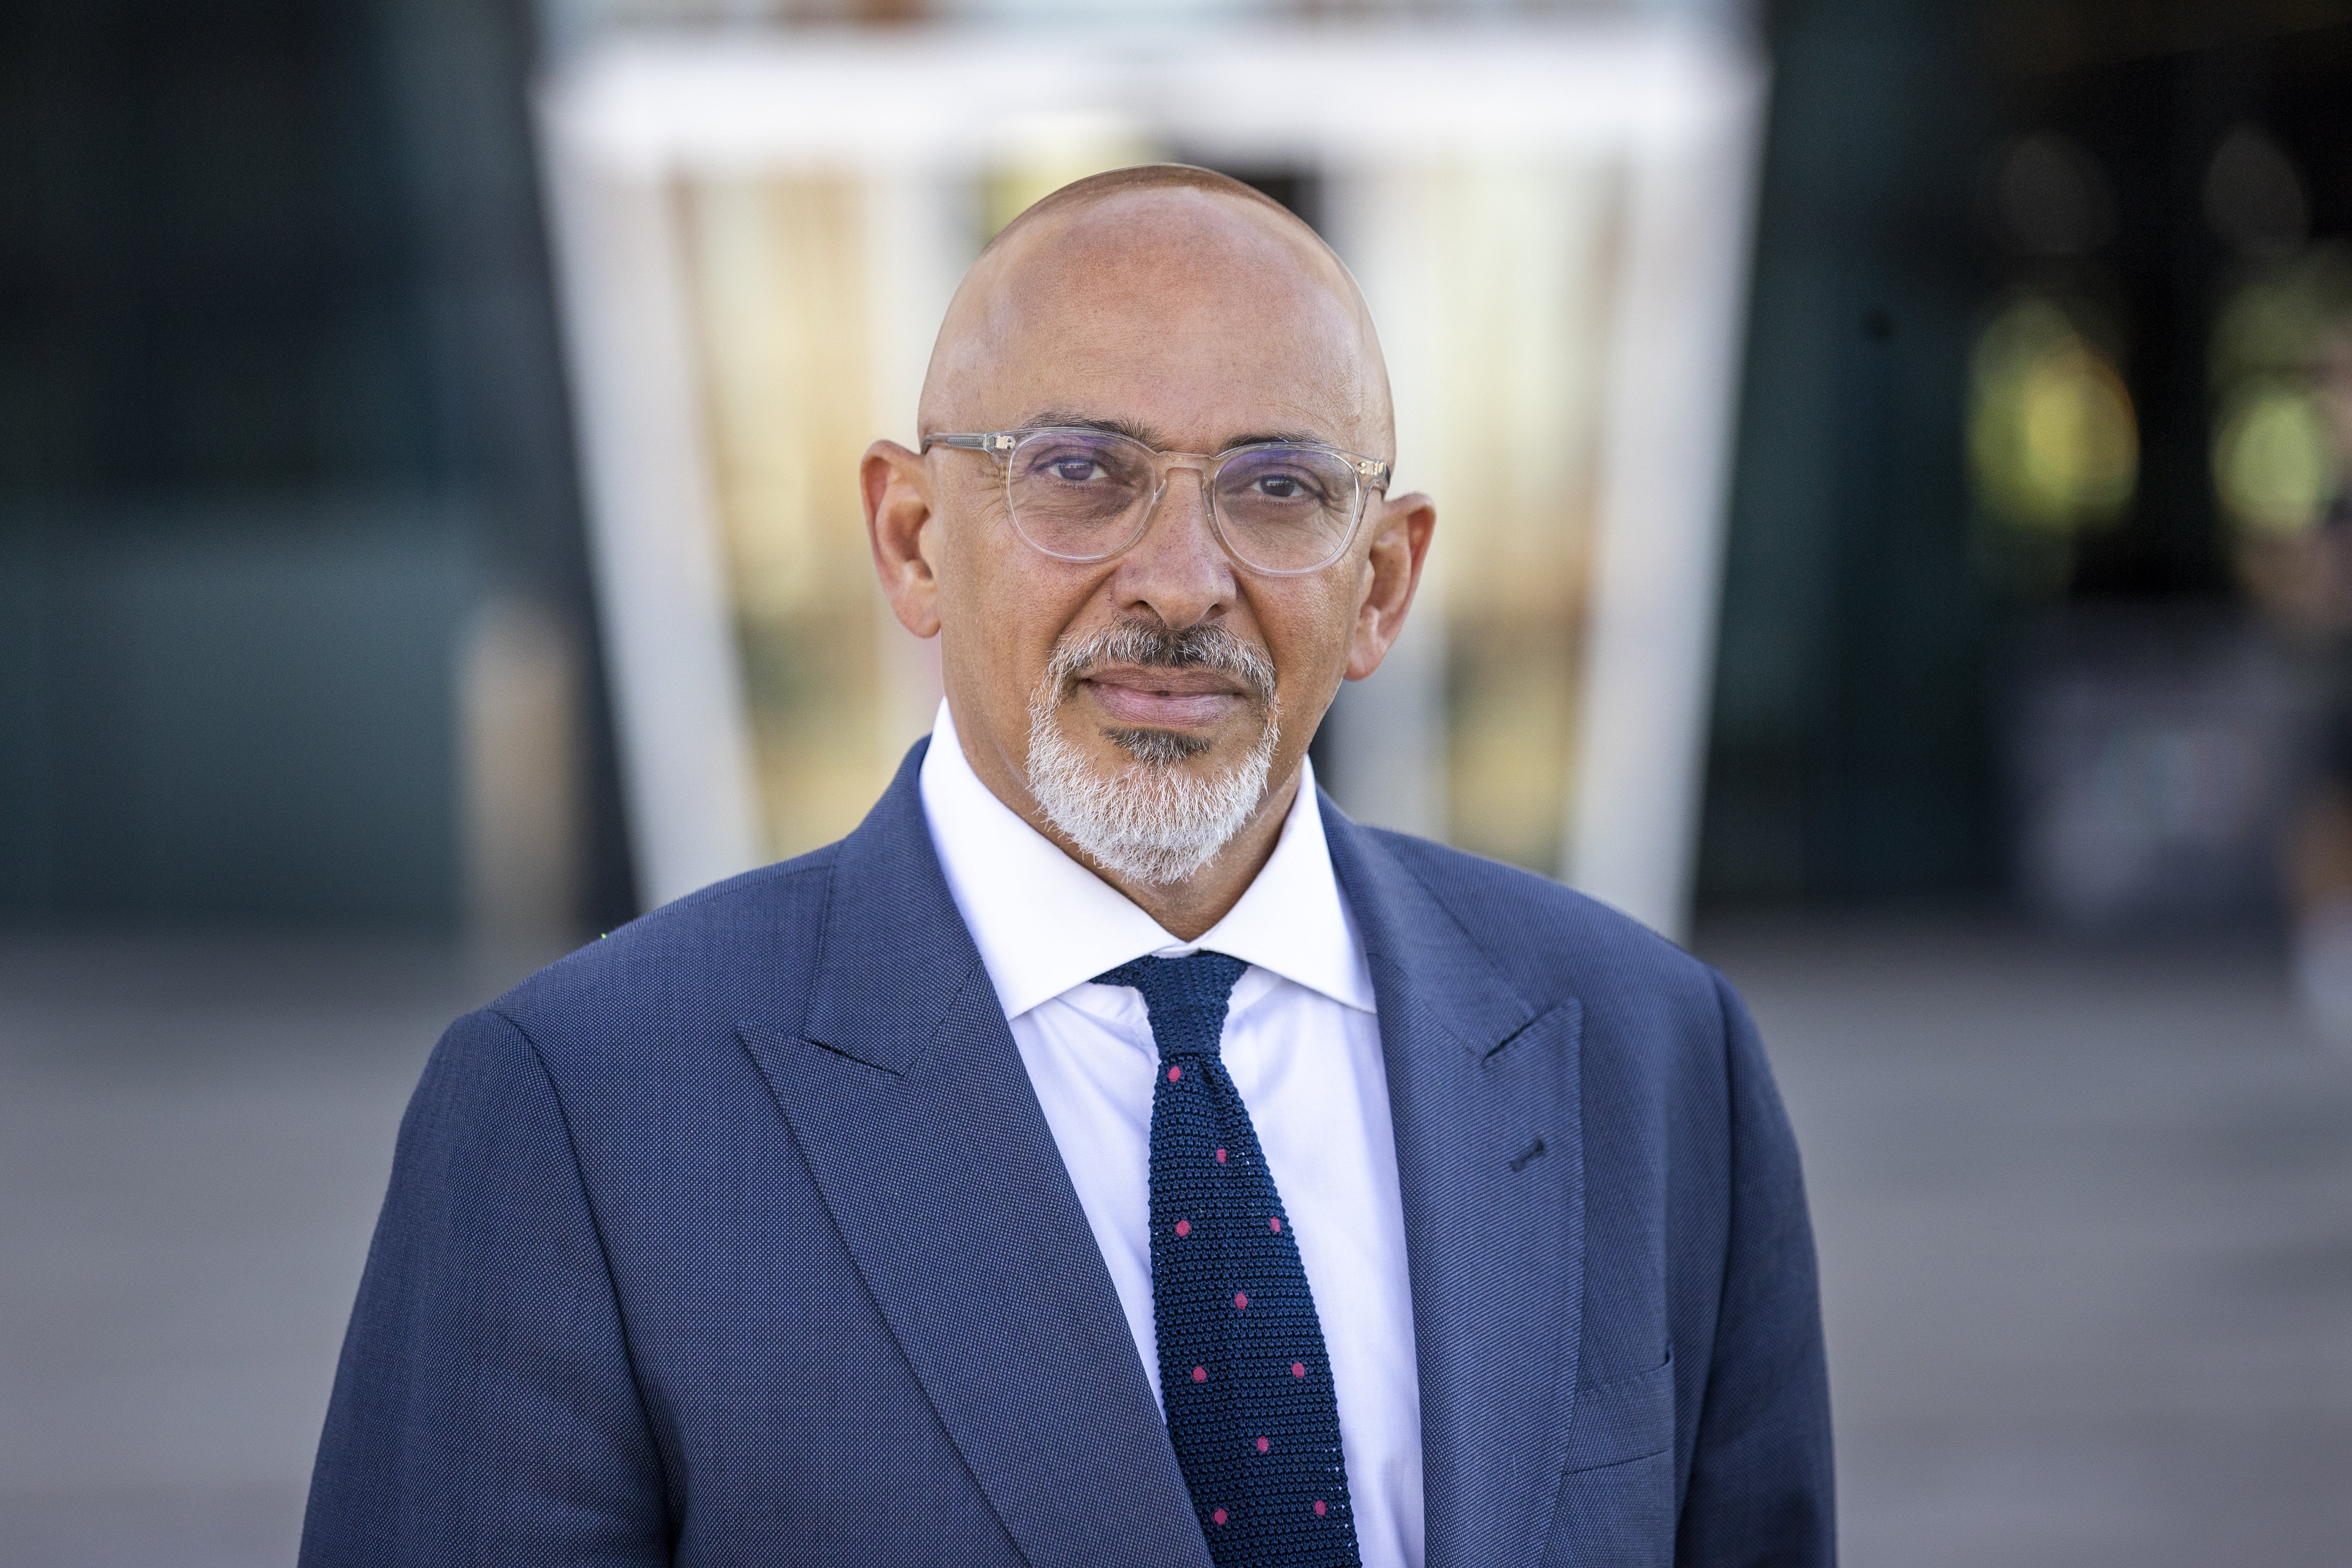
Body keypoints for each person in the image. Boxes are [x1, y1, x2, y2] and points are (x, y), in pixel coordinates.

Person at [300, 165, 1832, 1568]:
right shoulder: (582, 1111)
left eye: (1277, 486)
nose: (1178, 579)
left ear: (1381, 581)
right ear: (910, 538)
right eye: (1081, 472)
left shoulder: (1652, 1060)